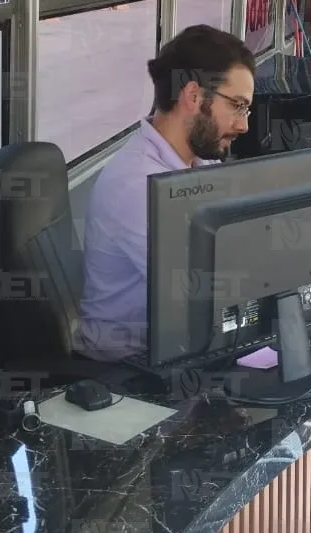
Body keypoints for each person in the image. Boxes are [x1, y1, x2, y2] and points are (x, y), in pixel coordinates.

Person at [77, 24, 256, 360]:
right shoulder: (137, 184)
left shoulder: (200, 165)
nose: (243, 124)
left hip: (179, 350)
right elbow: (203, 291)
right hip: (125, 373)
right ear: (193, 96)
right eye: (237, 105)